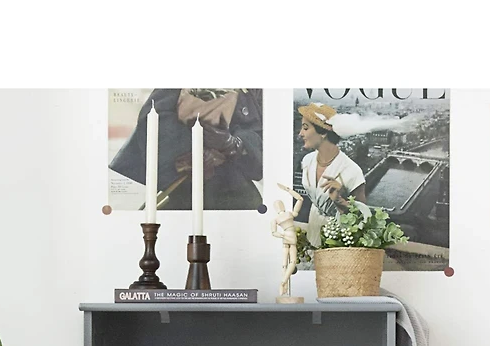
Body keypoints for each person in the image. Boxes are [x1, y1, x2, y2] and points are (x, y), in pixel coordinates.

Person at [109, 88, 263, 211]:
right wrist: (194, 149)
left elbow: (263, 130)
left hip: (233, 183)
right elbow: (154, 114)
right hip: (184, 180)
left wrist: (235, 144)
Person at [296, 103, 367, 247]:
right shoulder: (307, 161)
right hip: (313, 226)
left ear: (323, 133)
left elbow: (364, 219)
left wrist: (340, 201)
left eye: (305, 128)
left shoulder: (352, 171)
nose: (300, 133)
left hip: (339, 235)